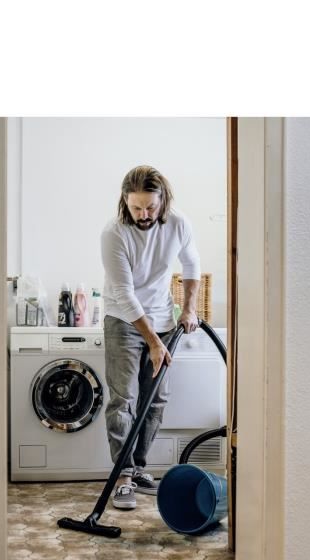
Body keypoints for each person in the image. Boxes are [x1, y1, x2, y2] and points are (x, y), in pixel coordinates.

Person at [101, 165, 201, 509]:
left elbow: (191, 266)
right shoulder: (114, 234)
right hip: (123, 320)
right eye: (136, 208)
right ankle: (123, 477)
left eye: (150, 207)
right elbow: (125, 294)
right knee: (124, 400)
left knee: (156, 399)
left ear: (164, 201)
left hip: (163, 318)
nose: (143, 215)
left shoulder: (179, 223)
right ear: (124, 202)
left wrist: (189, 309)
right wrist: (154, 343)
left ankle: (138, 468)